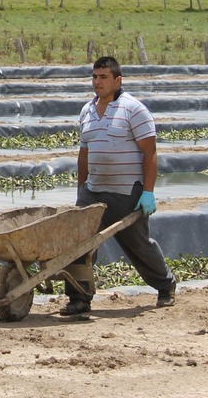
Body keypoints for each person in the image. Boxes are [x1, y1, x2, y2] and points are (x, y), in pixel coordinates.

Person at [61, 55, 177, 315]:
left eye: (103, 77)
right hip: (93, 190)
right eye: (94, 76)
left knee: (138, 244)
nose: (97, 82)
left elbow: (150, 153)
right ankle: (79, 298)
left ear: (118, 80)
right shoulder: (87, 111)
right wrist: (81, 189)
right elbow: (84, 153)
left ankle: (165, 284)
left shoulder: (134, 109)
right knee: (80, 243)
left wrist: (148, 192)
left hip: (126, 192)